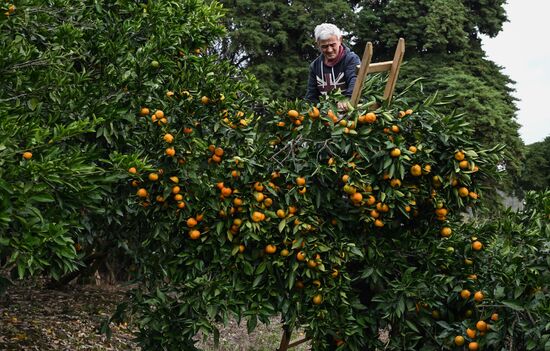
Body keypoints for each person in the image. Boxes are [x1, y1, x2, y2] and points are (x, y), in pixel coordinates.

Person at [305, 23, 361, 111]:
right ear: (318, 44)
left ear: (340, 40)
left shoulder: (351, 59)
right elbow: (311, 95)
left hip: (349, 111)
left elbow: (355, 80)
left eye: (332, 45)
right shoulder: (315, 66)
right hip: (326, 116)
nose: (329, 50)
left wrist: (347, 98)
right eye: (324, 46)